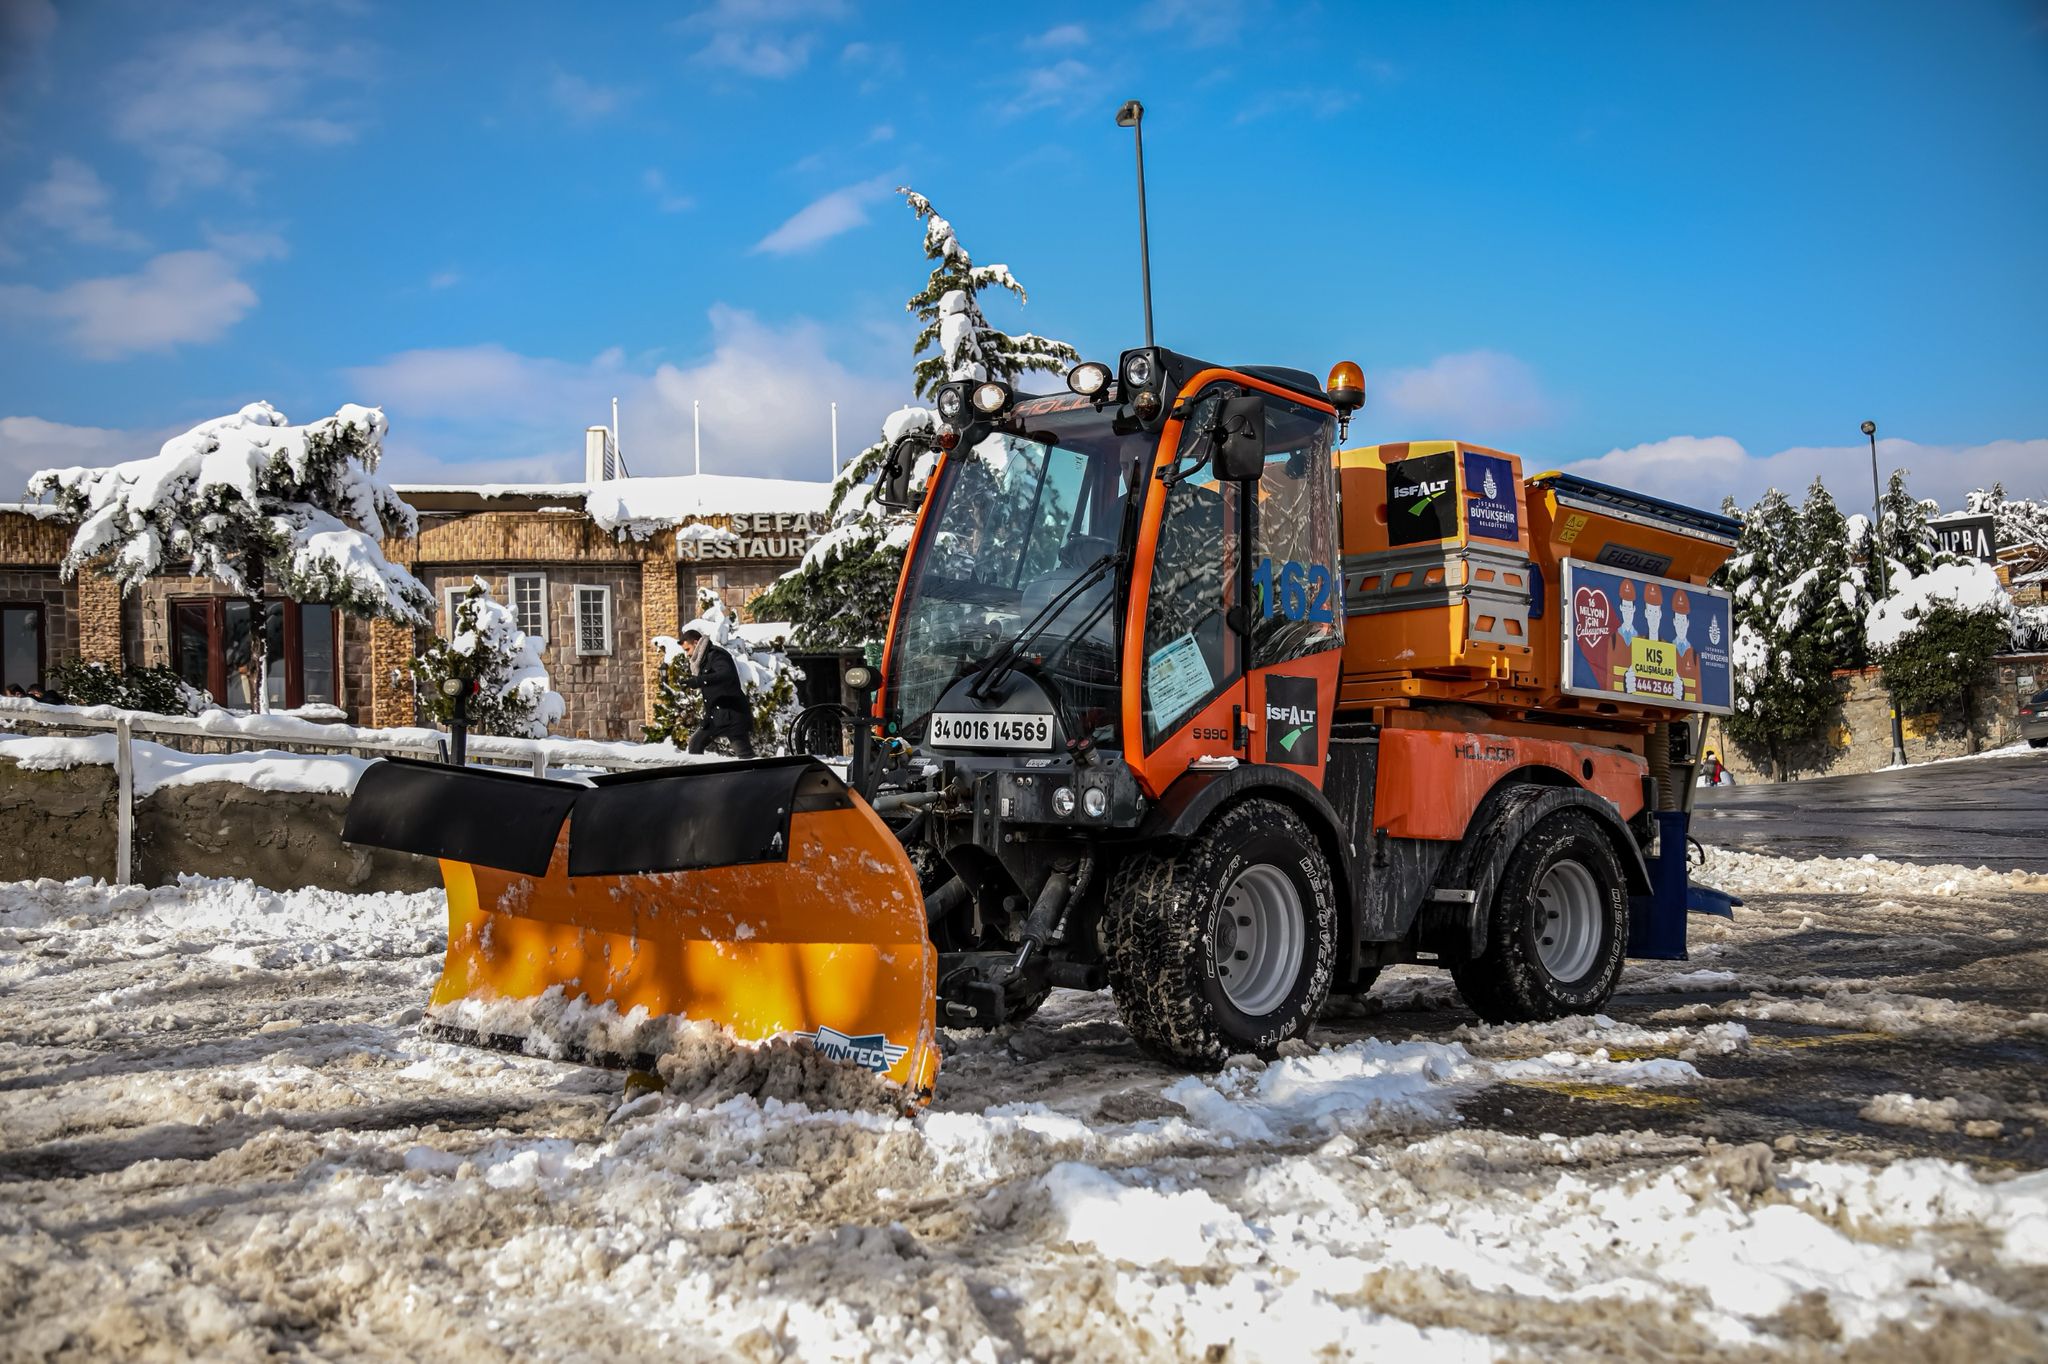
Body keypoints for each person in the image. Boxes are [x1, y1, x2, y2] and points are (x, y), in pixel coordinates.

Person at [677, 624, 755, 758]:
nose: (687, 654)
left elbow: (726, 675)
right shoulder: (703, 661)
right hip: (716, 716)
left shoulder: (716, 655)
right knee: (695, 744)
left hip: (732, 714)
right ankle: (700, 778)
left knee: (745, 755)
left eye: (688, 649)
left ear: (696, 643)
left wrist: (698, 681)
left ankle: (758, 777)